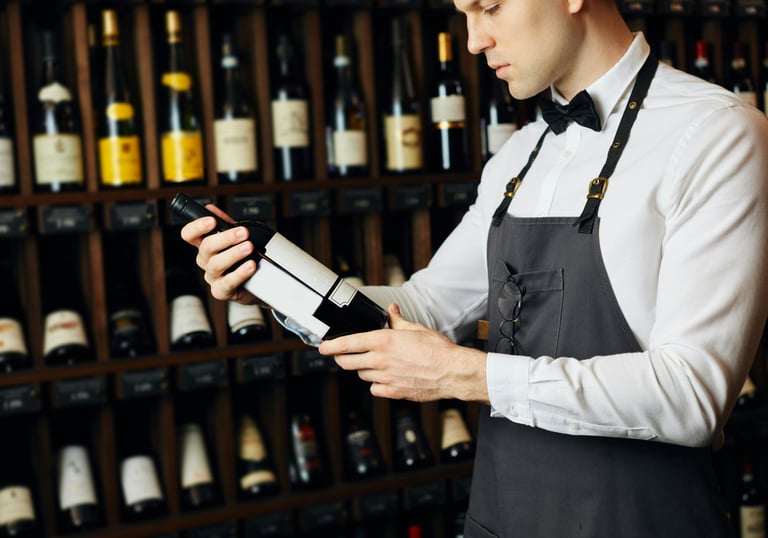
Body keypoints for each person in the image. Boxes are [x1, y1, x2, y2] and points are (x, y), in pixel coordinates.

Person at [181, 0, 768, 535]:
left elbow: (693, 395)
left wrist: (470, 376)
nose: (473, 40)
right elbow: (424, 307)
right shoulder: (517, 156)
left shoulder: (715, 135)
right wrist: (271, 282)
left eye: (488, 8)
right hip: (500, 517)